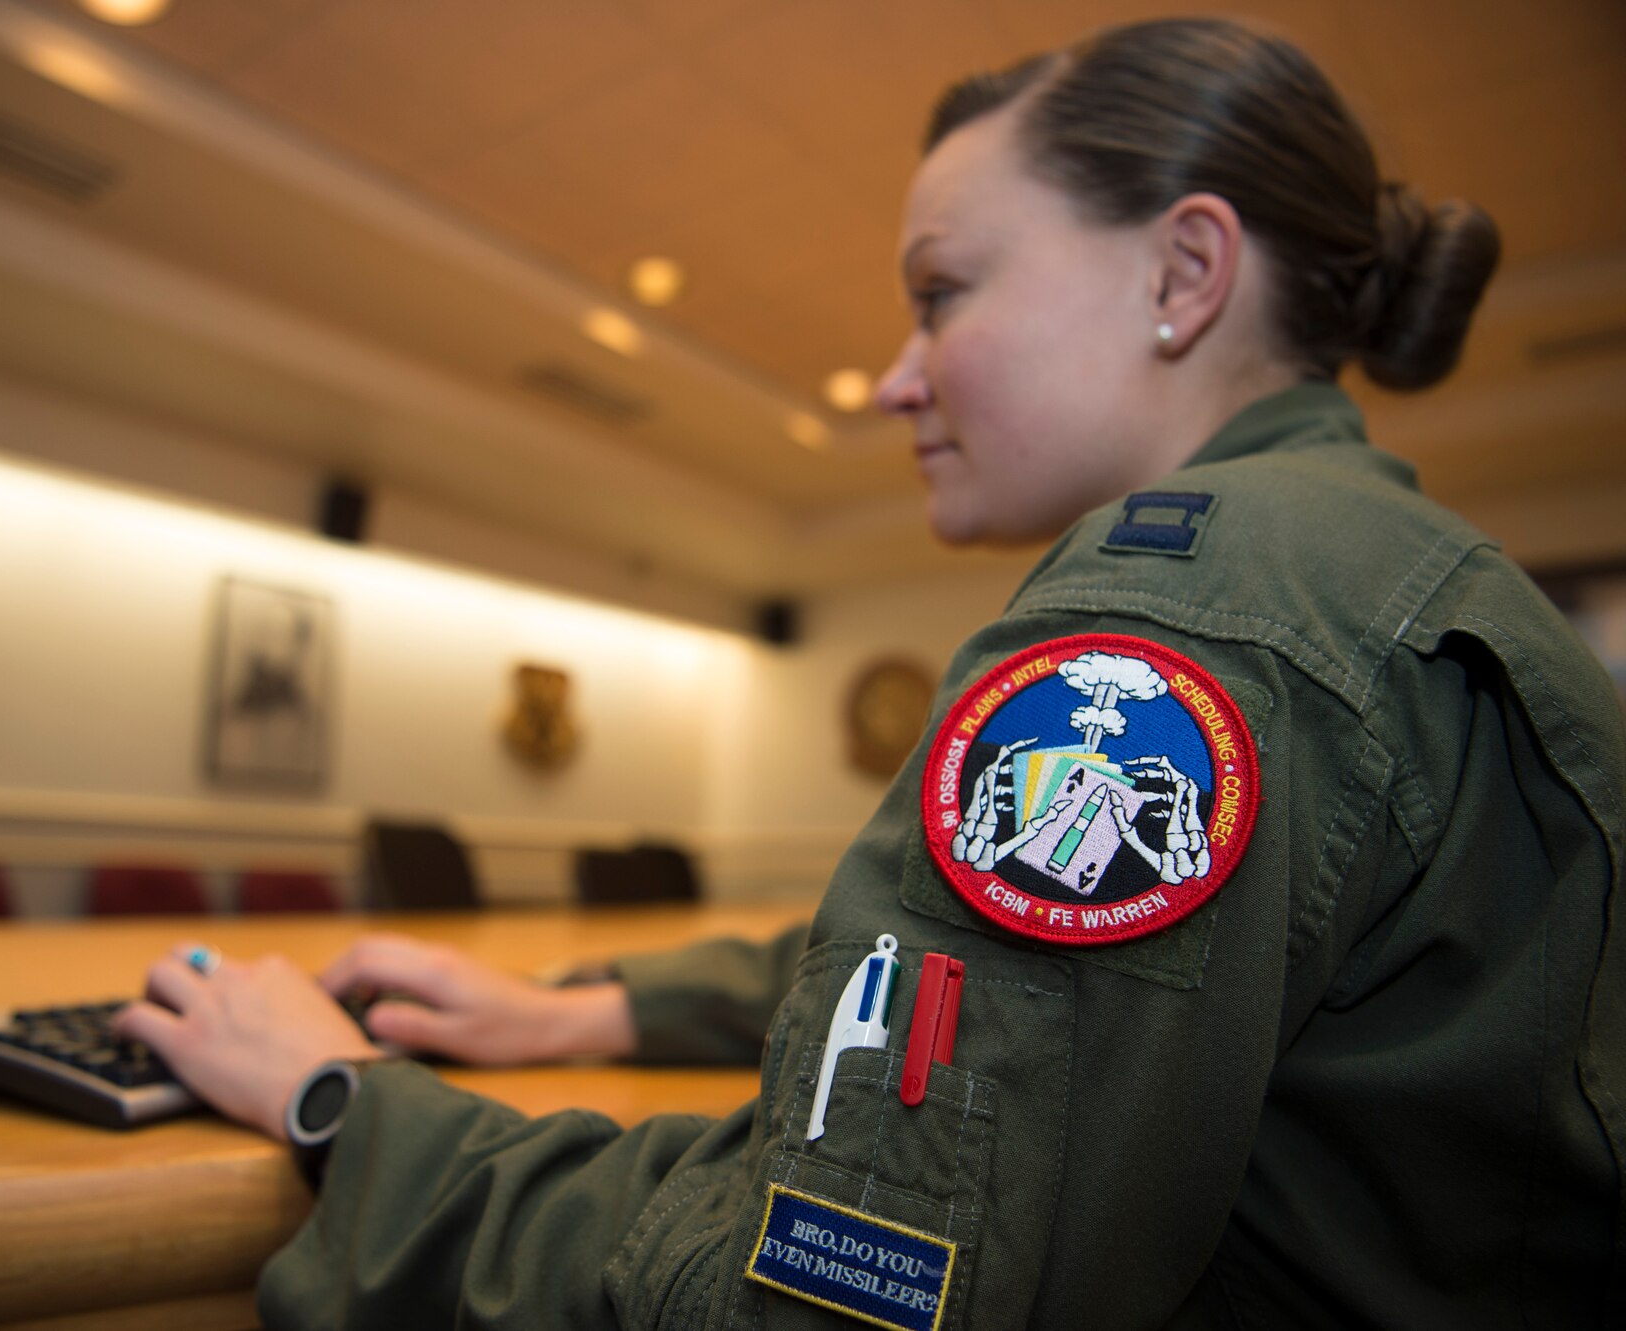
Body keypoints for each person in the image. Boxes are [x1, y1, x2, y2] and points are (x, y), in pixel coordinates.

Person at [116, 17, 1624, 1327]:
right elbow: (1017, 991)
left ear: (1186, 269)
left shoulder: (1178, 620)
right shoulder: (1357, 566)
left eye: (941, 291)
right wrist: (597, 1009)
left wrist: (347, 1109)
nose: (898, 375)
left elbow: (823, 1295)